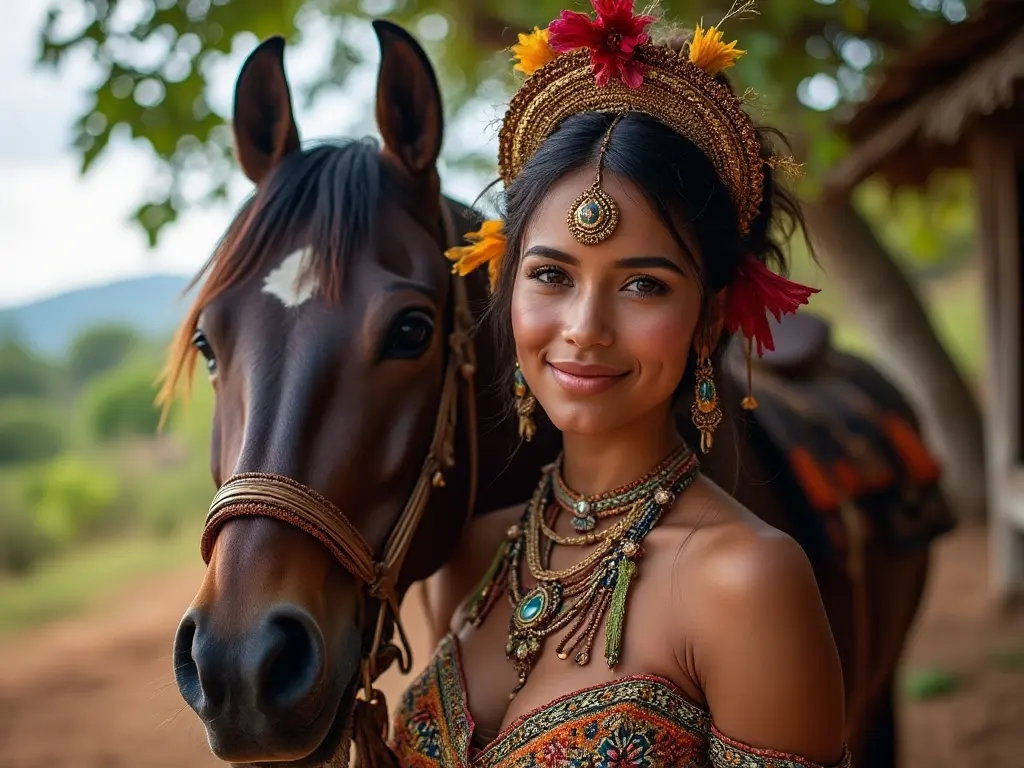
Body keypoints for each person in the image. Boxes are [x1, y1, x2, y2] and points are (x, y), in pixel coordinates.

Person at [391, 2, 850, 765]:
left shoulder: (747, 581)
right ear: (507, 288)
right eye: (551, 276)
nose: (585, 327)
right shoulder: (474, 555)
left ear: (708, 322)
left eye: (642, 286)